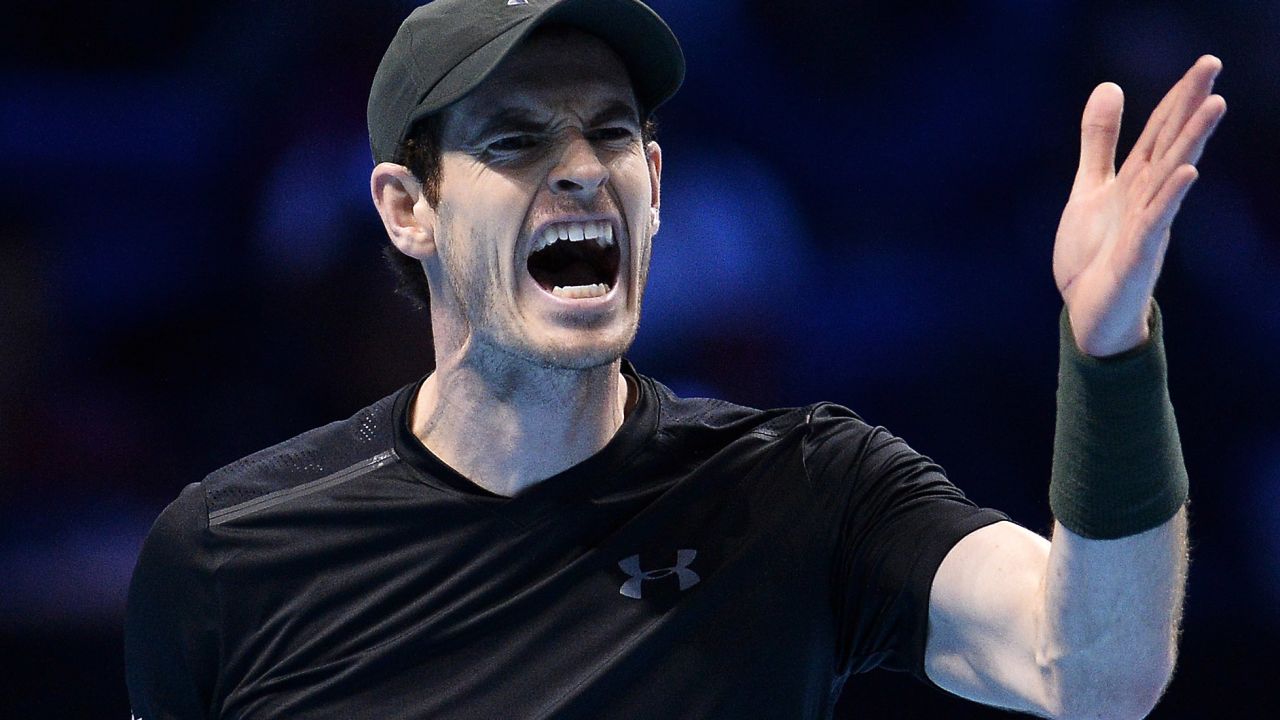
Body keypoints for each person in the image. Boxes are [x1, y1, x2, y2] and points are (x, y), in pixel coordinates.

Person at [124, 1, 1226, 718]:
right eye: (514, 141)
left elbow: (1094, 669)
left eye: (609, 135)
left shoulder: (800, 491)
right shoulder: (230, 555)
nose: (580, 171)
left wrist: (1108, 349)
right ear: (407, 208)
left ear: (654, 183)